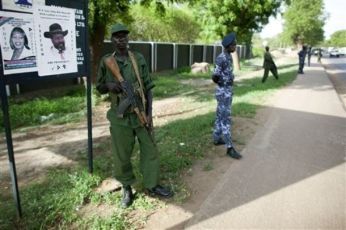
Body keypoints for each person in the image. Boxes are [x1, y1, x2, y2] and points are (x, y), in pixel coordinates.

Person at [96, 23, 173, 208]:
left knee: (150, 149)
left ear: (128, 38)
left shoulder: (137, 58)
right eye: (117, 36)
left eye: (124, 36)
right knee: (121, 155)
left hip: (140, 114)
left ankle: (152, 184)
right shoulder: (107, 60)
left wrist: (148, 114)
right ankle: (126, 188)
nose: (121, 39)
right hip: (119, 117)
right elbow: (99, 87)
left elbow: (148, 87)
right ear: (112, 40)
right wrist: (110, 86)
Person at [211, 32, 242, 160]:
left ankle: (216, 138)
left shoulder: (228, 57)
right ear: (228, 46)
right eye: (234, 44)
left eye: (235, 44)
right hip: (223, 92)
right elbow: (214, 76)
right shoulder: (221, 58)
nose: (235, 46)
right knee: (226, 119)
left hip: (227, 90)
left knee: (219, 115)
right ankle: (229, 147)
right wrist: (223, 84)